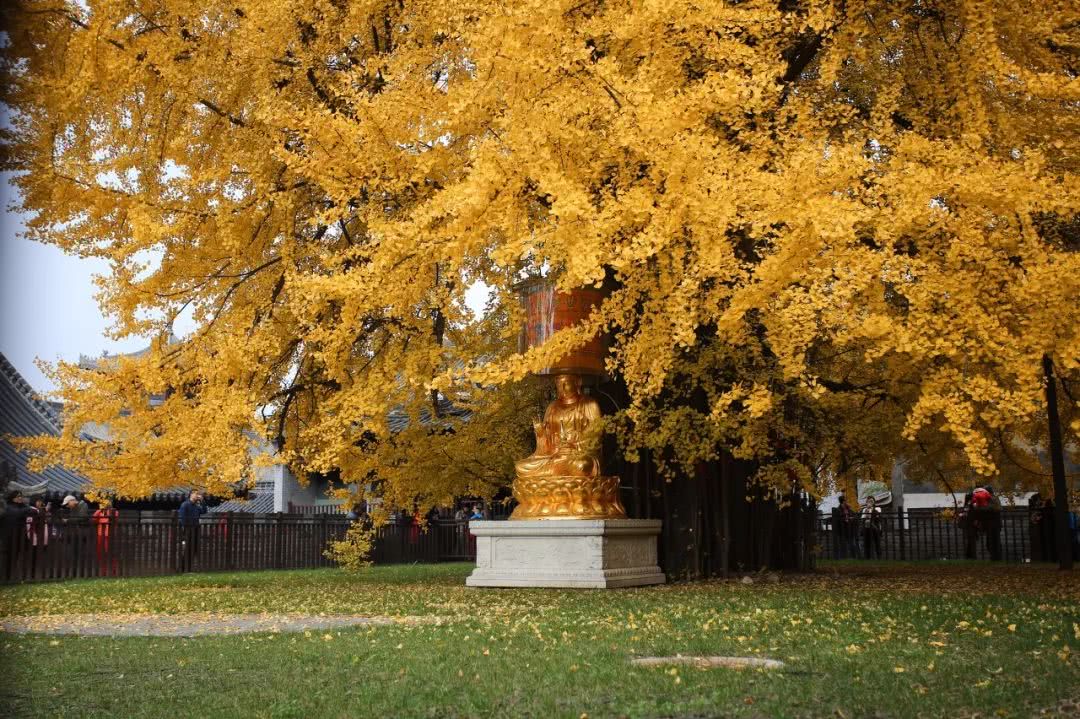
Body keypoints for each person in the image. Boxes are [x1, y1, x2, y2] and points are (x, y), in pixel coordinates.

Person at [2, 491, 32, 580]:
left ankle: (15, 577)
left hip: (20, 536)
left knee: (19, 557)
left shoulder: (23, 506)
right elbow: (17, 513)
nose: (20, 498)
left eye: (21, 496)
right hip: (9, 537)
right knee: (8, 558)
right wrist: (27, 509)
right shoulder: (8, 507)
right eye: (18, 496)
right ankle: (6, 577)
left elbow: (33, 512)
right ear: (13, 498)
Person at [177, 491, 207, 572]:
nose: (197, 495)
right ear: (191, 495)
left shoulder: (196, 506)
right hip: (188, 529)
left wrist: (202, 501)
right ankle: (183, 568)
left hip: (195, 529)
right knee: (187, 548)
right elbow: (182, 518)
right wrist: (185, 529)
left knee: (194, 548)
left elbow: (204, 511)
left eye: (198, 494)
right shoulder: (185, 504)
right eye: (195, 493)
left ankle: (190, 567)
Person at [92, 499, 119, 576]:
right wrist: (99, 511)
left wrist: (107, 512)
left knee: (111, 553)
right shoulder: (99, 512)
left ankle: (113, 571)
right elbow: (94, 519)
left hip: (110, 535)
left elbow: (114, 519)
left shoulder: (114, 511)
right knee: (101, 553)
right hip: (101, 534)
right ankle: (103, 571)